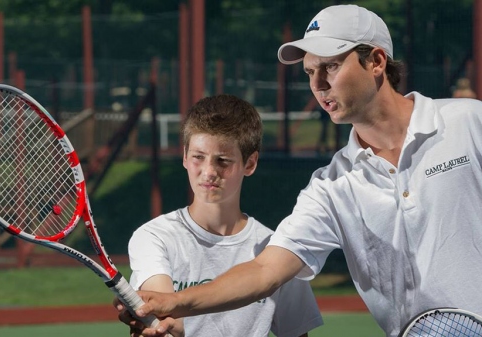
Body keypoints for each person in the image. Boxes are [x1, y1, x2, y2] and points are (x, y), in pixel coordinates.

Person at [117, 4, 482, 337]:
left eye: (331, 66)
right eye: (310, 71)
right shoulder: (331, 187)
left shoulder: (468, 123)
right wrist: (171, 303)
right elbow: (264, 272)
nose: (318, 83)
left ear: (376, 62)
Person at [115, 94, 323, 336]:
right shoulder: (154, 237)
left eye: (222, 160)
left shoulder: (277, 250)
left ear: (250, 163)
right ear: (184, 156)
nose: (209, 172)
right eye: (198, 157)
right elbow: (165, 320)